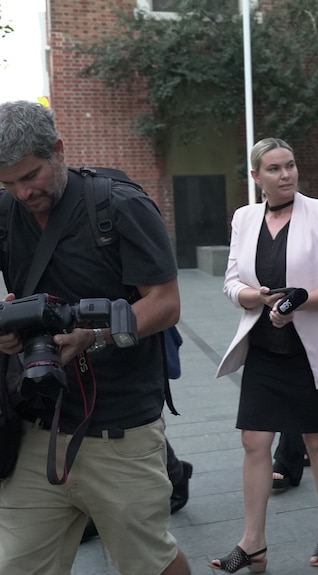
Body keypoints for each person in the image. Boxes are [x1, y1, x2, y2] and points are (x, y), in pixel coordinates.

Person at [0, 101, 190, 575]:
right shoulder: (5, 213)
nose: (23, 193)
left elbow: (165, 303)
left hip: (120, 431)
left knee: (150, 563)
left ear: (59, 150)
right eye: (8, 183)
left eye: (32, 176)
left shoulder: (118, 205)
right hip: (37, 428)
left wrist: (93, 337)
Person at [212, 137, 318, 572]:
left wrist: (299, 300)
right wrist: (253, 297)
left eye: (291, 166)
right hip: (265, 346)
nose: (286, 175)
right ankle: (253, 542)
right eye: (275, 169)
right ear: (256, 177)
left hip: (314, 350)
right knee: (253, 440)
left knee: (317, 439)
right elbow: (230, 282)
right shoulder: (244, 218)